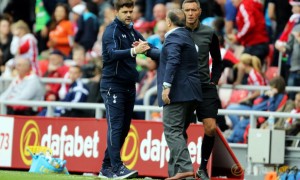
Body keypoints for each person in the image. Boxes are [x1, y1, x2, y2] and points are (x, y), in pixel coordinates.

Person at [98, 0, 159, 179]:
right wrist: (133, 52)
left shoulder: (131, 31)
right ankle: (117, 167)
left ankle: (106, 167)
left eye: (131, 11)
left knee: (124, 128)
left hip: (128, 86)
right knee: (115, 127)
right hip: (113, 85)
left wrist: (169, 54)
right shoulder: (111, 31)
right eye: (125, 11)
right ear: (117, 11)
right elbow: (110, 54)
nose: (128, 15)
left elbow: (147, 47)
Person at [157, 9, 202, 179]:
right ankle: (178, 174)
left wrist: (166, 86)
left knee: (172, 131)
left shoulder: (173, 37)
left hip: (178, 93)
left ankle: (184, 168)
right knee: (179, 133)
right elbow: (172, 57)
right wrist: (148, 50)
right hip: (191, 92)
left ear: (169, 22)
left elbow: (174, 60)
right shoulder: (186, 36)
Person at [182, 0, 223, 179]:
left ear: (199, 11)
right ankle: (180, 168)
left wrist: (214, 80)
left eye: (193, 10)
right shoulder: (177, 32)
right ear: (182, 12)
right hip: (184, 88)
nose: (190, 13)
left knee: (210, 128)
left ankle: (202, 167)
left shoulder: (209, 33)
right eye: (187, 10)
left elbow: (218, 60)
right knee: (180, 130)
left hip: (205, 88)